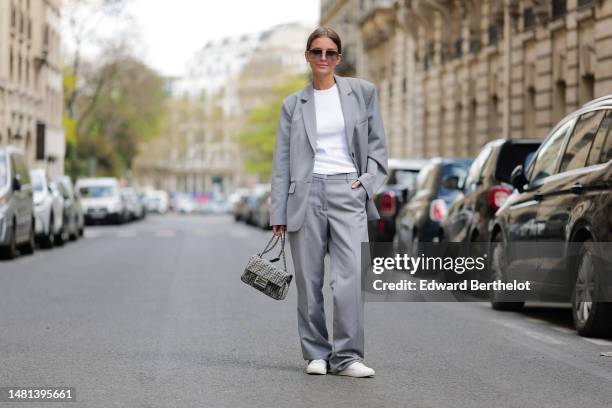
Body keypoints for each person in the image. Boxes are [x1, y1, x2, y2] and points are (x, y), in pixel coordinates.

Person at [269, 26, 388, 378]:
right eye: (317, 52)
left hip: (347, 191)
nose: (323, 58)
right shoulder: (293, 104)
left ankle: (348, 356)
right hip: (305, 194)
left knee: (349, 277)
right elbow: (281, 161)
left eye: (330, 53)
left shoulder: (362, 93)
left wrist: (365, 185)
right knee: (309, 280)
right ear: (307, 56)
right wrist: (278, 211)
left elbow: (378, 147)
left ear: (338, 58)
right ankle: (316, 353)